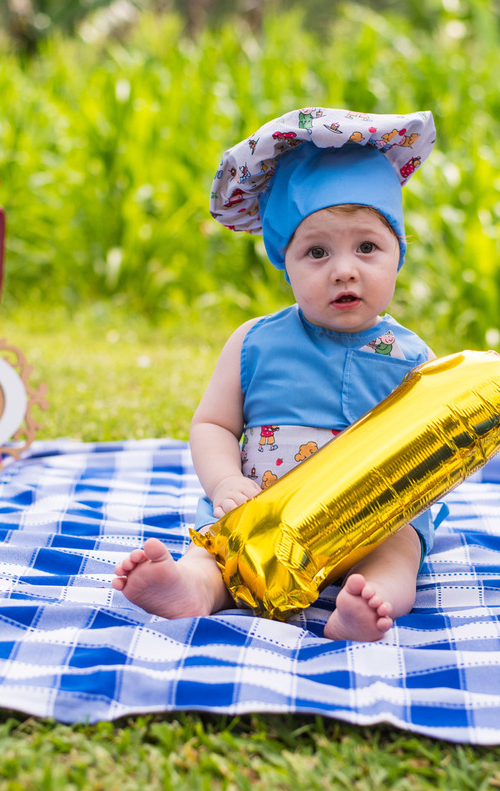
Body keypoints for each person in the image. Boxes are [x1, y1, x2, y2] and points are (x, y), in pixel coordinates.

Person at [113, 107, 437, 641]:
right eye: (316, 251)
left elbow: (429, 449)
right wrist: (226, 483)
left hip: (371, 521)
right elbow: (213, 425)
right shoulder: (255, 342)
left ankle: (369, 606)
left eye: (367, 247)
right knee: (218, 550)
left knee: (399, 550)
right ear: (283, 261)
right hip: (261, 507)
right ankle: (191, 589)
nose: (345, 268)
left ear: (397, 255)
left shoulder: (412, 358)